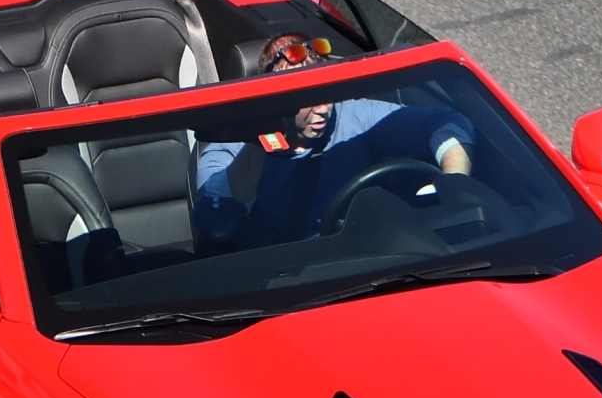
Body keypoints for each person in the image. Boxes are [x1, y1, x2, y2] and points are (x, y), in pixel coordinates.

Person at [193, 34, 474, 249]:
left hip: (359, 259)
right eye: (305, 99)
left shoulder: (357, 116)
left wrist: (454, 186)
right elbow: (213, 222)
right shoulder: (233, 147)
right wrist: (258, 143)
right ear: (274, 99)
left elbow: (445, 123)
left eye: (326, 91)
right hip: (274, 279)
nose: (323, 109)